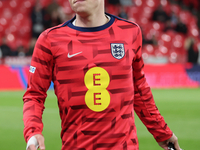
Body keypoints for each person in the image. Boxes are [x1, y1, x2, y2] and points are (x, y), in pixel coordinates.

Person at [23, 0, 182, 150]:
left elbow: (139, 88)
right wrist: (33, 131)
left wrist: (161, 131)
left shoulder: (130, 32)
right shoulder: (50, 40)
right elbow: (34, 94)